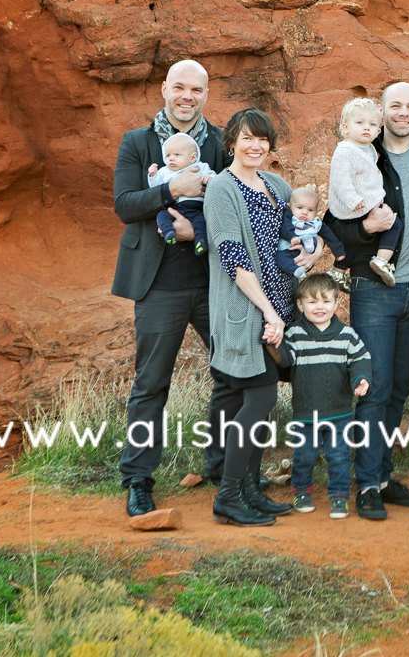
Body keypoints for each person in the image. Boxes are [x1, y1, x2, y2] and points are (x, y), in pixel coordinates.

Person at [112, 59, 234, 517]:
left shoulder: (221, 142)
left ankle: (225, 468)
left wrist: (197, 225)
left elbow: (239, 199)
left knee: (232, 373)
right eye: (179, 87)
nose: (187, 96)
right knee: (151, 383)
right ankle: (139, 479)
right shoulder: (137, 143)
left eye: (197, 90)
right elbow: (125, 205)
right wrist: (172, 190)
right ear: (164, 88)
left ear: (206, 94)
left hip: (214, 282)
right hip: (158, 284)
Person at [325, 81, 409, 521]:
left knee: (398, 391)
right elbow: (335, 219)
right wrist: (366, 230)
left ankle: (383, 477)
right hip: (375, 287)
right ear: (382, 112)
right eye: (395, 106)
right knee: (375, 388)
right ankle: (367, 484)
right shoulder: (362, 153)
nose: (402, 113)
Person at [204, 107, 315, 527]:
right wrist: (268, 312)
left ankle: (249, 490)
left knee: (259, 403)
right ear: (231, 141)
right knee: (261, 398)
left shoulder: (276, 184)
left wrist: (314, 251)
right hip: (246, 310)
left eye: (263, 139)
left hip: (281, 308)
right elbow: (232, 257)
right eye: (247, 138)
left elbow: (303, 232)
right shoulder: (221, 188)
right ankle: (228, 495)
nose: (256, 146)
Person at [283, 273, 373, 520]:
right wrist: (272, 344)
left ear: (335, 304)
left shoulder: (347, 334)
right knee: (305, 455)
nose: (319, 307)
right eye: (312, 302)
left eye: (325, 301)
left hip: (340, 411)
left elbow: (361, 359)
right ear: (300, 305)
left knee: (340, 455)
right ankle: (301, 491)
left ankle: (339, 496)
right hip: (305, 412)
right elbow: (284, 360)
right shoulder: (295, 334)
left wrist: (361, 379)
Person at [328, 97, 403, 285]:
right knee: (394, 224)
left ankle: (338, 272)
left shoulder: (367, 148)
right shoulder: (344, 151)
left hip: (365, 201)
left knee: (356, 241)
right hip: (355, 203)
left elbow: (365, 167)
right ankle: (382, 260)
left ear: (378, 131)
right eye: (359, 123)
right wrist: (353, 200)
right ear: (345, 127)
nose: (366, 127)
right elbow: (341, 180)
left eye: (372, 124)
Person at [148, 133, 215, 254]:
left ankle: (201, 242)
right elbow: (156, 188)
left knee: (200, 222)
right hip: (174, 206)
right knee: (162, 216)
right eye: (168, 155)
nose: (171, 159)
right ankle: (169, 232)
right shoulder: (164, 171)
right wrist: (153, 175)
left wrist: (209, 179)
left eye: (177, 155)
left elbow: (215, 179)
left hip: (196, 207)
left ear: (193, 157)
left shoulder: (200, 167)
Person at [275, 186, 347, 281]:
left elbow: (329, 236)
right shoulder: (290, 217)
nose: (305, 212)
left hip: (308, 251)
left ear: (315, 211)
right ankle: (296, 271)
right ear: (290, 206)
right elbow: (285, 227)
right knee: (280, 259)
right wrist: (292, 237)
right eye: (300, 207)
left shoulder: (316, 222)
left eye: (310, 210)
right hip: (288, 248)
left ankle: (308, 242)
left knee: (313, 239)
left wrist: (339, 252)